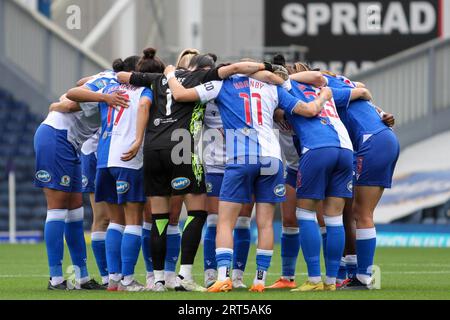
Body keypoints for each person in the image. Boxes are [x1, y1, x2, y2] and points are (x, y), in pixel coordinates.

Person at [117, 56, 282, 292]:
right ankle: (189, 276)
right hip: (186, 149)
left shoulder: (158, 79)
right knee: (200, 213)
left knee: (161, 219)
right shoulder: (210, 81)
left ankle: (159, 279)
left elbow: (123, 77)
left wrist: (167, 75)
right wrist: (267, 68)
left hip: (154, 148)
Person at [163, 63, 328, 293]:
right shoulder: (272, 86)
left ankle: (223, 278)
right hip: (272, 159)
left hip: (241, 157)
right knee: (265, 223)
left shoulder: (221, 83)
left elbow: (181, 95)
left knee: (225, 221)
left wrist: (170, 73)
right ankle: (259, 281)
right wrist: (323, 97)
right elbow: (308, 110)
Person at [66, 48, 163, 292]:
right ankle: (128, 280)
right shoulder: (145, 91)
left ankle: (113, 279)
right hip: (129, 159)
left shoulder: (109, 89)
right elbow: (142, 107)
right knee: (133, 222)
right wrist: (138, 139)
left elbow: (74, 91)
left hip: (104, 161)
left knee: (114, 223)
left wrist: (105, 99)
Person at [278, 75, 372, 292]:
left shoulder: (284, 90)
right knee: (334, 218)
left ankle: (313, 279)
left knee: (306, 214)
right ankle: (331, 280)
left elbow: (293, 112)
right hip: (345, 150)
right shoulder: (323, 89)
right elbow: (360, 91)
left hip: (317, 148)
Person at [34, 73, 127, 291]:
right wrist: (101, 98)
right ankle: (55, 278)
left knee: (76, 210)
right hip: (57, 137)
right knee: (57, 209)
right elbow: (71, 99)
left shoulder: (109, 77)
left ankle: (81, 276)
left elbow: (79, 83)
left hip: (70, 143)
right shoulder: (112, 88)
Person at [325, 79, 399, 290]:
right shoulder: (344, 86)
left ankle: (364, 276)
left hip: (371, 141)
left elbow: (362, 91)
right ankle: (356, 272)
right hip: (384, 139)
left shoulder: (327, 90)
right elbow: (365, 95)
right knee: (355, 210)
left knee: (361, 212)